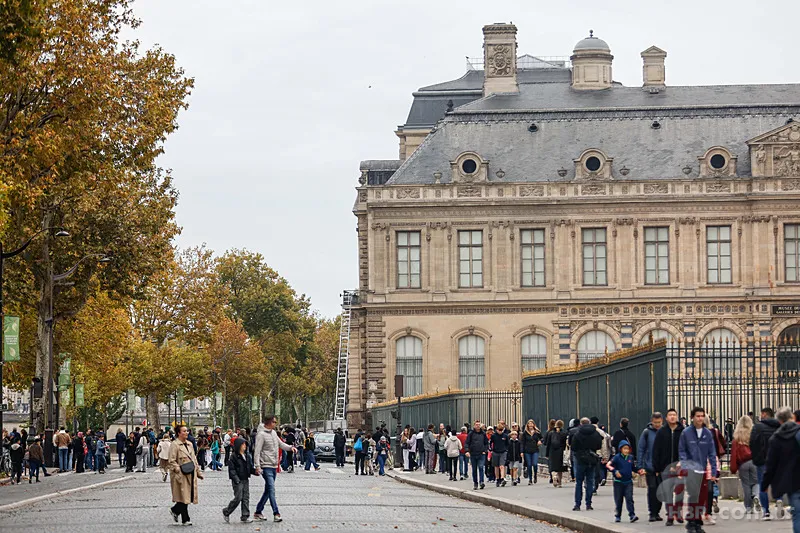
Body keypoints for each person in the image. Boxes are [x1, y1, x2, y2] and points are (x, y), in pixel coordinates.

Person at [761, 406, 800, 533]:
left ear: (779, 421)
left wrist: (765, 484)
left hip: (793, 482)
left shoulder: (776, 438)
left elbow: (771, 464)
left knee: (797, 515)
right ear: (792, 417)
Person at [678, 407, 717, 533]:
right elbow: (682, 450)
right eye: (697, 416)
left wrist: (714, 471)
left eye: (702, 416)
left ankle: (696, 521)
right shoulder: (686, 433)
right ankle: (692, 522)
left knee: (702, 497)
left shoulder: (707, 433)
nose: (700, 418)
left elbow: (712, 452)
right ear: (692, 417)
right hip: (691, 469)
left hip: (703, 470)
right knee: (693, 496)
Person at [253, 415, 296, 522]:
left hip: (274, 465)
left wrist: (291, 448)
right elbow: (257, 452)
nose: (275, 424)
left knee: (268, 490)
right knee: (271, 489)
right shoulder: (261, 435)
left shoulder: (273, 433)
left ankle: (258, 511)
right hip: (265, 465)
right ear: (268, 423)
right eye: (274, 422)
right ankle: (276, 513)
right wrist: (257, 466)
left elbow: (281, 444)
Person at [653, 408, 685, 526]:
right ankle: (670, 515)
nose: (672, 417)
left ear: (677, 417)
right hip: (665, 467)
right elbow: (656, 450)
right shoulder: (662, 432)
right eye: (670, 415)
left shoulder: (683, 431)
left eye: (674, 415)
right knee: (668, 492)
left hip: (680, 467)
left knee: (680, 491)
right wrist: (657, 468)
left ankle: (678, 512)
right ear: (666, 418)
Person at [168, 425, 203, 526]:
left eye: (187, 431)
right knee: (184, 496)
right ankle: (183, 516)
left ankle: (177, 512)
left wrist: (198, 472)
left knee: (187, 496)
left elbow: (194, 459)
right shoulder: (175, 445)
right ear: (179, 433)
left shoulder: (190, 444)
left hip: (190, 473)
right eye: (184, 431)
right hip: (181, 474)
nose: (186, 432)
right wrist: (177, 469)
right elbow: (171, 460)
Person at [750, 407, 781, 520]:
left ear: (763, 414)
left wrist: (756, 457)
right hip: (777, 460)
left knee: (763, 485)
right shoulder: (779, 426)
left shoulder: (758, 427)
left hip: (762, 460)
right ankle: (779, 499)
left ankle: (766, 512)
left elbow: (752, 442)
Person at [571, 417, 603, 511]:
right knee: (590, 481)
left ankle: (577, 504)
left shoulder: (578, 433)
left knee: (579, 482)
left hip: (580, 459)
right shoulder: (595, 433)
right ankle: (588, 504)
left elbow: (573, 447)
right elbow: (599, 445)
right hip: (592, 459)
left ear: (581, 424)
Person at [637, 412, 664, 522]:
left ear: (662, 421)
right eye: (655, 422)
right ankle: (652, 512)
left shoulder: (664, 432)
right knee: (652, 489)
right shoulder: (647, 432)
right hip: (650, 466)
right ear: (652, 422)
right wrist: (640, 466)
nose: (657, 424)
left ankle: (657, 511)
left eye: (659, 422)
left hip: (662, 467)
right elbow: (641, 449)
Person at [730, 415, 758, 514]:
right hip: (754, 462)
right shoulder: (754, 434)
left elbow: (733, 455)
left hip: (743, 464)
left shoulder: (736, 438)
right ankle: (756, 496)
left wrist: (733, 468)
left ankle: (748, 507)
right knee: (756, 482)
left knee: (746, 485)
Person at [223, 436, 254, 523]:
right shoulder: (233, 456)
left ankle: (245, 515)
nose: (245, 446)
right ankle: (227, 511)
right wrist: (236, 480)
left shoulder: (247, 455)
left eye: (245, 444)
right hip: (238, 480)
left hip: (245, 479)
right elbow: (232, 470)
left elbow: (250, 467)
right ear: (238, 445)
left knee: (246, 497)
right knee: (238, 497)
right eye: (243, 444)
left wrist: (255, 471)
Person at [465, 420, 489, 490]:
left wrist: (485, 450)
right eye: (476, 425)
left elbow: (486, 443)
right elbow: (467, 443)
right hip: (473, 453)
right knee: (474, 469)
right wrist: (467, 451)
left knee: (481, 467)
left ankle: (481, 482)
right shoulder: (471, 434)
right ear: (474, 426)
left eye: (479, 424)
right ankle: (475, 482)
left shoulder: (483, 433)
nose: (478, 426)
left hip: (481, 453)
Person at [521, 419, 542, 485]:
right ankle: (530, 479)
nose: (530, 425)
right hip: (527, 450)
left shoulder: (537, 432)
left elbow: (542, 438)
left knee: (535, 464)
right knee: (529, 465)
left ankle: (535, 475)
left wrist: (540, 441)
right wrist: (522, 451)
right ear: (527, 425)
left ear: (533, 425)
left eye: (531, 424)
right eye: (529, 424)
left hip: (535, 450)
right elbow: (522, 443)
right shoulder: (525, 433)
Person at [548, 420, 568, 488]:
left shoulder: (550, 433)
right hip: (561, 451)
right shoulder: (564, 433)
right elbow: (565, 443)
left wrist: (547, 453)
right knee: (560, 468)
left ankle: (554, 475)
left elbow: (548, 444)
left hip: (552, 451)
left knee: (553, 466)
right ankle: (560, 482)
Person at [491, 420, 510, 487]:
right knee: (496, 466)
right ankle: (497, 478)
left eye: (501, 430)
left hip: (503, 452)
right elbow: (491, 443)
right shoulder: (493, 436)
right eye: (499, 430)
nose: (500, 431)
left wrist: (506, 450)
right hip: (495, 452)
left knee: (502, 466)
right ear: (496, 429)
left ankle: (502, 478)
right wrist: (491, 449)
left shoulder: (505, 436)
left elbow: (507, 444)